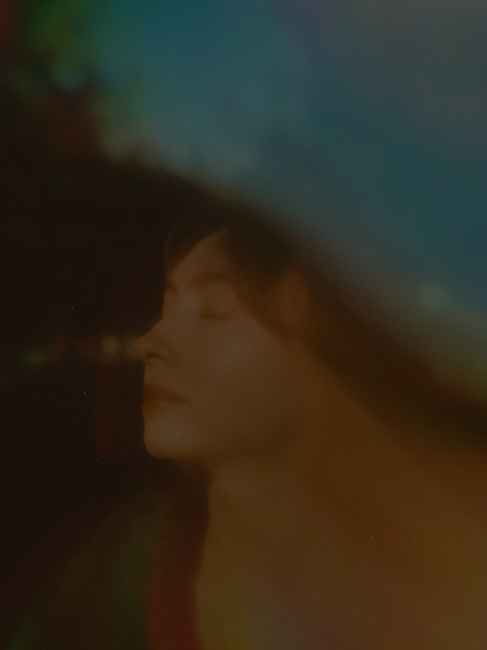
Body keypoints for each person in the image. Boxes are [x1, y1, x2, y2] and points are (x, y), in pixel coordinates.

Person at [135, 195, 487, 650]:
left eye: (216, 310)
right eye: (166, 309)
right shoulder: (134, 555)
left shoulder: (441, 587)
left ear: (335, 354)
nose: (149, 342)